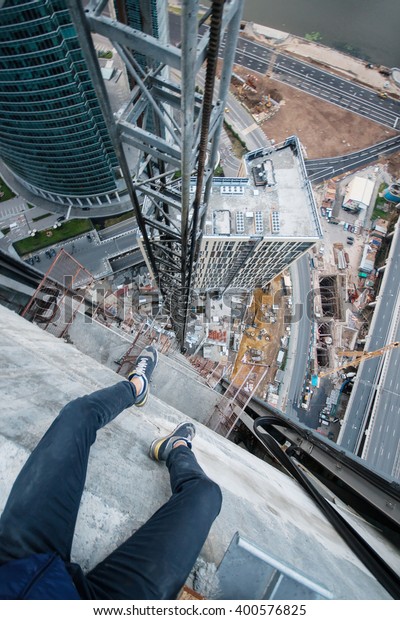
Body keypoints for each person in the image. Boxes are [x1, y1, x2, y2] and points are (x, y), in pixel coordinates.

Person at [0, 346, 222, 600]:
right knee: (206, 494)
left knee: (78, 414)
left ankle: (136, 387)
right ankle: (177, 448)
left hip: (16, 566)